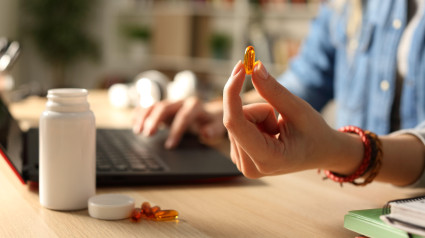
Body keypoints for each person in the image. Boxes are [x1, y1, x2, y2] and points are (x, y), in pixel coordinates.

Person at [132, 0, 425, 187]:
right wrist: (217, 112)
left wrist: (339, 150)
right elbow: (304, 83)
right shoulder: (343, 5)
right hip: (345, 205)